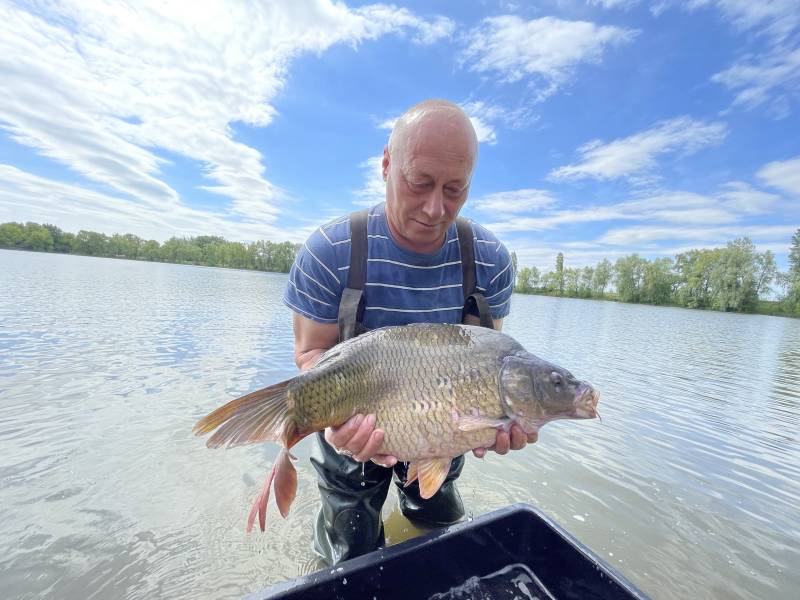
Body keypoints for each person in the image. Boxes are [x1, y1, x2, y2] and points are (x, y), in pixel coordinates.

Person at [282, 99, 536, 566]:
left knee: (441, 528)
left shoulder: (490, 261)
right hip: (353, 422)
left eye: (455, 189)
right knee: (349, 550)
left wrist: (500, 423)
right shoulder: (329, 252)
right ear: (385, 166)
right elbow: (312, 356)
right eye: (419, 183)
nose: (435, 207)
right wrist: (340, 430)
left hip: (441, 423)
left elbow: (486, 356)